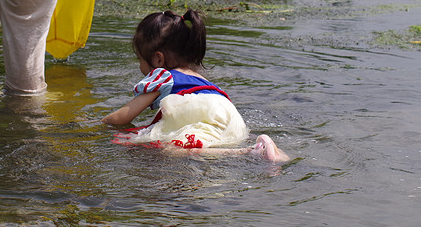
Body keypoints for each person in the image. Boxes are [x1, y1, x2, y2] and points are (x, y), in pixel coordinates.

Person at [102, 9, 290, 162]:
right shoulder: (201, 79)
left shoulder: (162, 76)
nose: (140, 66)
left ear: (158, 58)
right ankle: (273, 154)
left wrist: (100, 123)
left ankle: (249, 152)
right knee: (208, 143)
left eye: (140, 59)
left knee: (170, 150)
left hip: (202, 112)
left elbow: (122, 117)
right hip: (230, 115)